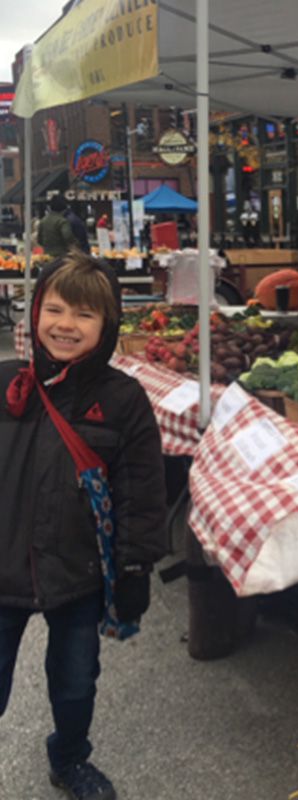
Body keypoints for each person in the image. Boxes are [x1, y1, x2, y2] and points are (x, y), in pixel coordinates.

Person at [0, 251, 168, 800]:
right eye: (55, 309)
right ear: (35, 313)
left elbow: (142, 492)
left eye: (84, 315)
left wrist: (136, 563)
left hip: (78, 574)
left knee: (75, 683)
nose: (66, 325)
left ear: (109, 324)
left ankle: (69, 758)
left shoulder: (123, 400)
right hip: (2, 568)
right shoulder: (5, 384)